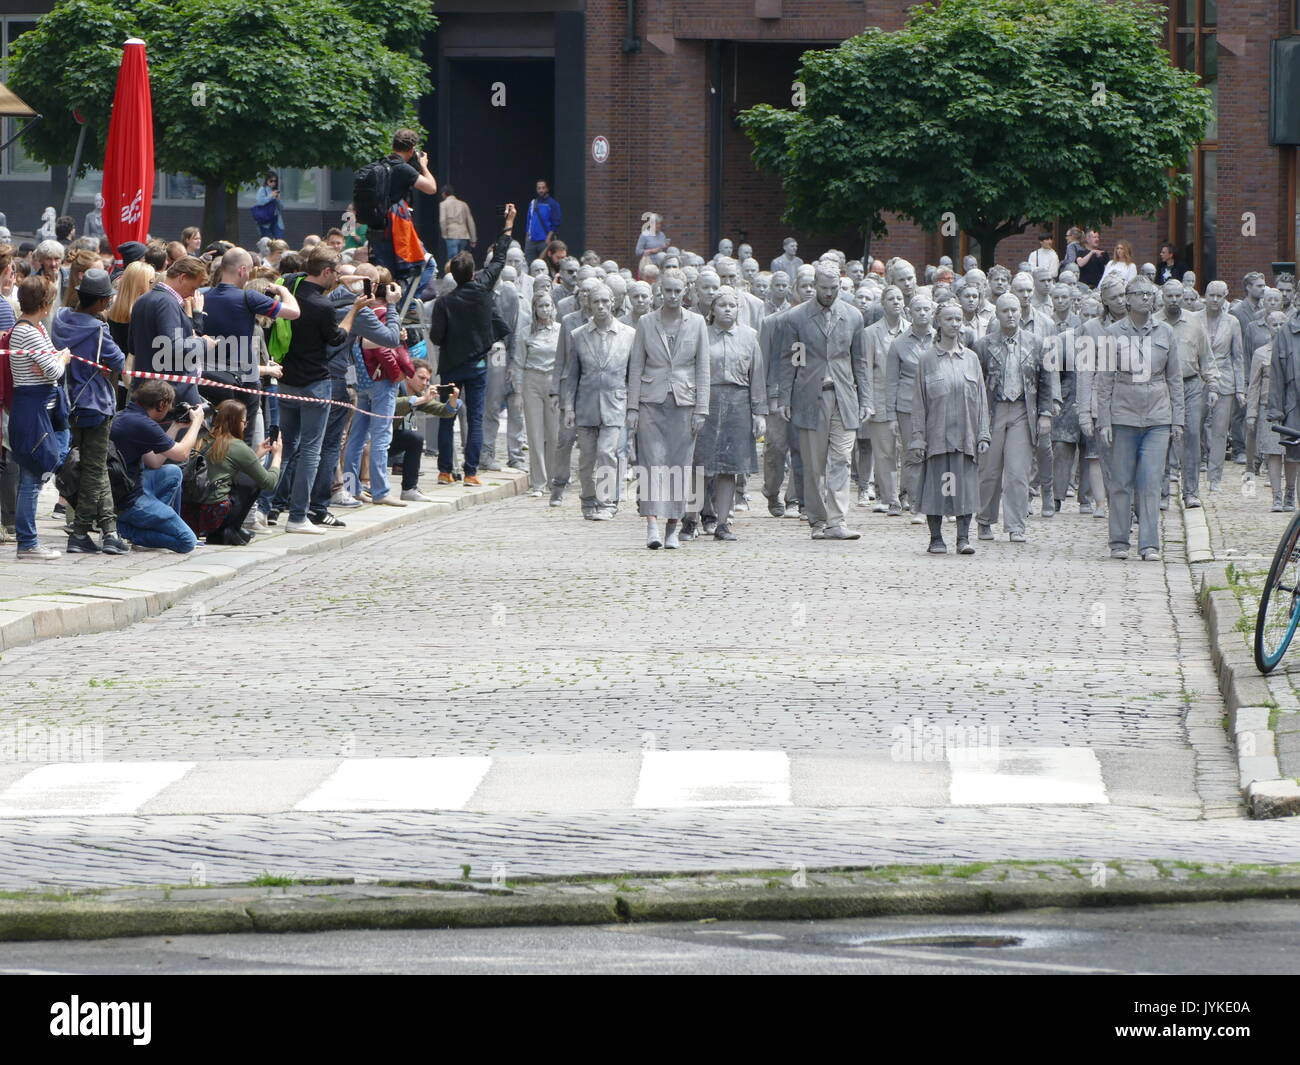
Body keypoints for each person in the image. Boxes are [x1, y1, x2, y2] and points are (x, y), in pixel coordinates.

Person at [272, 246, 366, 534]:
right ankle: (298, 516)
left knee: (285, 447)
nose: (336, 279)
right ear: (325, 272)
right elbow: (336, 338)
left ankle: (269, 508)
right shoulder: (323, 306)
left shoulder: (290, 286)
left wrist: (342, 280)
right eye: (335, 274)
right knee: (311, 450)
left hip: (287, 379)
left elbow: (305, 272)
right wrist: (353, 310)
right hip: (315, 383)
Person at [429, 203, 517, 487]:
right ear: (472, 273)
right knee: (476, 419)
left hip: (452, 365)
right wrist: (508, 225)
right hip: (478, 364)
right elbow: (499, 260)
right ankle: (470, 472)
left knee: (447, 415)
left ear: (452, 274)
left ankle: (444, 471)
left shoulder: (444, 302)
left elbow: (435, 337)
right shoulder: (483, 290)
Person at [779, 265, 870, 541]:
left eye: (834, 288)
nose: (829, 294)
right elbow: (788, 361)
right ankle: (818, 520)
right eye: (824, 288)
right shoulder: (796, 318)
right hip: (809, 395)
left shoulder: (853, 316)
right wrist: (784, 397)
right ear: (814, 285)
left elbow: (861, 361)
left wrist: (866, 398)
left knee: (841, 458)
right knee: (814, 463)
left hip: (844, 395)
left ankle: (837, 520)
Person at [1096, 276, 1184, 562]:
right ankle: (1119, 541)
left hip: (1158, 416)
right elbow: (1105, 380)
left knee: (1150, 481)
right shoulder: (1112, 333)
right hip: (1123, 415)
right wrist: (1104, 421)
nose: (1146, 298)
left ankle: (1149, 544)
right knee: (1121, 481)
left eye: (1150, 293)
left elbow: (1175, 379)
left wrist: (1178, 420)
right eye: (1140, 294)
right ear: (1128, 298)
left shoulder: (1166, 332)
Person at [49, 268, 132, 555]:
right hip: (96, 403)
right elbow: (118, 359)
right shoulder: (98, 329)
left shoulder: (60, 319)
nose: (110, 302)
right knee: (95, 469)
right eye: (107, 299)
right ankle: (82, 532)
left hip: (68, 402)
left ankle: (109, 531)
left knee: (92, 467)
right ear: (98, 302)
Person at [627, 267, 710, 549]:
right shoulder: (646, 322)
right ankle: (651, 524)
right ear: (659, 290)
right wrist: (632, 408)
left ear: (685, 292)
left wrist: (702, 408)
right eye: (668, 290)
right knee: (651, 464)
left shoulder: (697, 323)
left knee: (681, 465)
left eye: (678, 291)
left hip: (685, 401)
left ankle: (673, 527)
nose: (673, 296)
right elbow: (636, 365)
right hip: (650, 400)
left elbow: (703, 368)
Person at [910, 302, 990, 554]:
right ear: (939, 323)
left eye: (958, 319)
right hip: (937, 435)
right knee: (937, 487)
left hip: (965, 435)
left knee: (964, 487)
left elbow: (981, 398)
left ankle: (963, 538)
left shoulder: (971, 359)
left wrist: (983, 433)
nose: (954, 323)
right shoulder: (927, 360)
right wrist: (918, 439)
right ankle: (936, 538)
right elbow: (919, 402)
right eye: (949, 319)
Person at [694, 287, 765, 540]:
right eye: (721, 305)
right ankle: (691, 520)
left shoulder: (749, 336)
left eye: (732, 305)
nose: (727, 309)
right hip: (708, 401)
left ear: (739, 309)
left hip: (738, 403)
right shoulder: (701, 334)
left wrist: (759, 413)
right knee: (700, 465)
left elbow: (756, 376)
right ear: (712, 309)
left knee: (729, 468)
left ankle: (723, 523)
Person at [7, 276, 70, 560]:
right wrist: (61, 360)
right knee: (32, 478)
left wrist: (51, 360)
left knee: (35, 474)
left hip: (39, 409)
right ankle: (28, 543)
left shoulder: (36, 328)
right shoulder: (29, 332)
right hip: (32, 410)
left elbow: (47, 364)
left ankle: (29, 541)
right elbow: (55, 371)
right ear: (44, 303)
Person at [562, 282, 636, 520]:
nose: (601, 306)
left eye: (605, 301)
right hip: (586, 404)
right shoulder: (578, 335)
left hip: (615, 403)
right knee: (586, 458)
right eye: (596, 302)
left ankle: (607, 503)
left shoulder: (629, 335)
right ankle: (588, 500)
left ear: (613, 302)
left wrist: (634, 406)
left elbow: (632, 375)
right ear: (588, 304)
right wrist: (568, 407)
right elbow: (571, 374)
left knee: (607, 452)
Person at [109, 379, 204, 553]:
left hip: (126, 488)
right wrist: (197, 422)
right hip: (130, 500)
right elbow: (182, 453)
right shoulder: (143, 424)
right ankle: (125, 530)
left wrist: (175, 427)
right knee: (187, 541)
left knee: (173, 472)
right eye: (168, 406)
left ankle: (150, 526)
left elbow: (154, 461)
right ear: (161, 404)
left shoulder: (128, 415)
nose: (169, 410)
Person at [185, 399, 282, 545]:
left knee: (242, 476)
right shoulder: (236, 445)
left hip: (192, 514)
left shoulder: (202, 439)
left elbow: (222, 467)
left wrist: (256, 455)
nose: (246, 424)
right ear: (236, 422)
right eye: (244, 421)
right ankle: (228, 529)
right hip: (215, 515)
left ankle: (226, 530)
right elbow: (269, 482)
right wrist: (277, 456)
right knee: (252, 481)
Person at [127, 256, 209, 407]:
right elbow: (172, 348)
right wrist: (203, 343)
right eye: (194, 288)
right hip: (168, 395)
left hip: (147, 391)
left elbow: (132, 346)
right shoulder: (167, 303)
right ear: (182, 277)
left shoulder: (143, 299)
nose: (193, 294)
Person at [369, 129, 438, 286]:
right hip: (395, 229)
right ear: (412, 149)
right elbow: (431, 188)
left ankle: (389, 307)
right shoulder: (402, 168)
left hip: (376, 228)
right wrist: (423, 166)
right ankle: (407, 306)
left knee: (386, 277)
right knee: (427, 265)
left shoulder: (380, 164)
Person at [389, 359, 461, 500]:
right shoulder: (395, 386)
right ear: (409, 374)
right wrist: (419, 400)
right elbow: (390, 404)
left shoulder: (419, 395)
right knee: (412, 437)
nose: (424, 383)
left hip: (390, 438)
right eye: (421, 378)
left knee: (415, 439)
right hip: (373, 437)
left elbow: (444, 411)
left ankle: (409, 489)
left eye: (427, 380)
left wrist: (453, 399)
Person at [1247, 311, 1294, 510]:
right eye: (1273, 324)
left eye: (1281, 323)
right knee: (1273, 454)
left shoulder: (1295, 349)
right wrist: (1251, 413)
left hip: (1292, 408)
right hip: (1268, 407)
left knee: (1292, 454)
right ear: (1268, 327)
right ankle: (1276, 495)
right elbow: (1254, 385)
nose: (1278, 327)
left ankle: (1290, 493)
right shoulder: (1261, 354)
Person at [519, 288, 562, 496]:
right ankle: (538, 482)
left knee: (554, 434)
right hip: (532, 380)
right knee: (535, 434)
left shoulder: (561, 331)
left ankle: (555, 479)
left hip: (553, 382)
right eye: (540, 306)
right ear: (534, 309)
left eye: (548, 305)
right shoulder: (526, 332)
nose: (544, 310)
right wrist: (518, 392)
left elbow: (566, 361)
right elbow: (518, 362)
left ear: (553, 307)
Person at [524, 180, 563, 263]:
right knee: (529, 264)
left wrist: (548, 238)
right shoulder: (533, 203)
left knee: (545, 264)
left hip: (545, 240)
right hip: (531, 240)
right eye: (539, 188)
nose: (541, 190)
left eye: (543, 188)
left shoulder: (553, 204)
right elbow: (528, 222)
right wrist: (527, 238)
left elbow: (556, 223)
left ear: (547, 189)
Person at [439, 185, 476, 261]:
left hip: (451, 235)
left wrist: (444, 235)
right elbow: (470, 222)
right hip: (463, 236)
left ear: (444, 193)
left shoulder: (443, 204)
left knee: (452, 261)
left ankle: (453, 273)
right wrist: (473, 239)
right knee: (462, 260)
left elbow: (442, 220)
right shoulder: (463, 204)